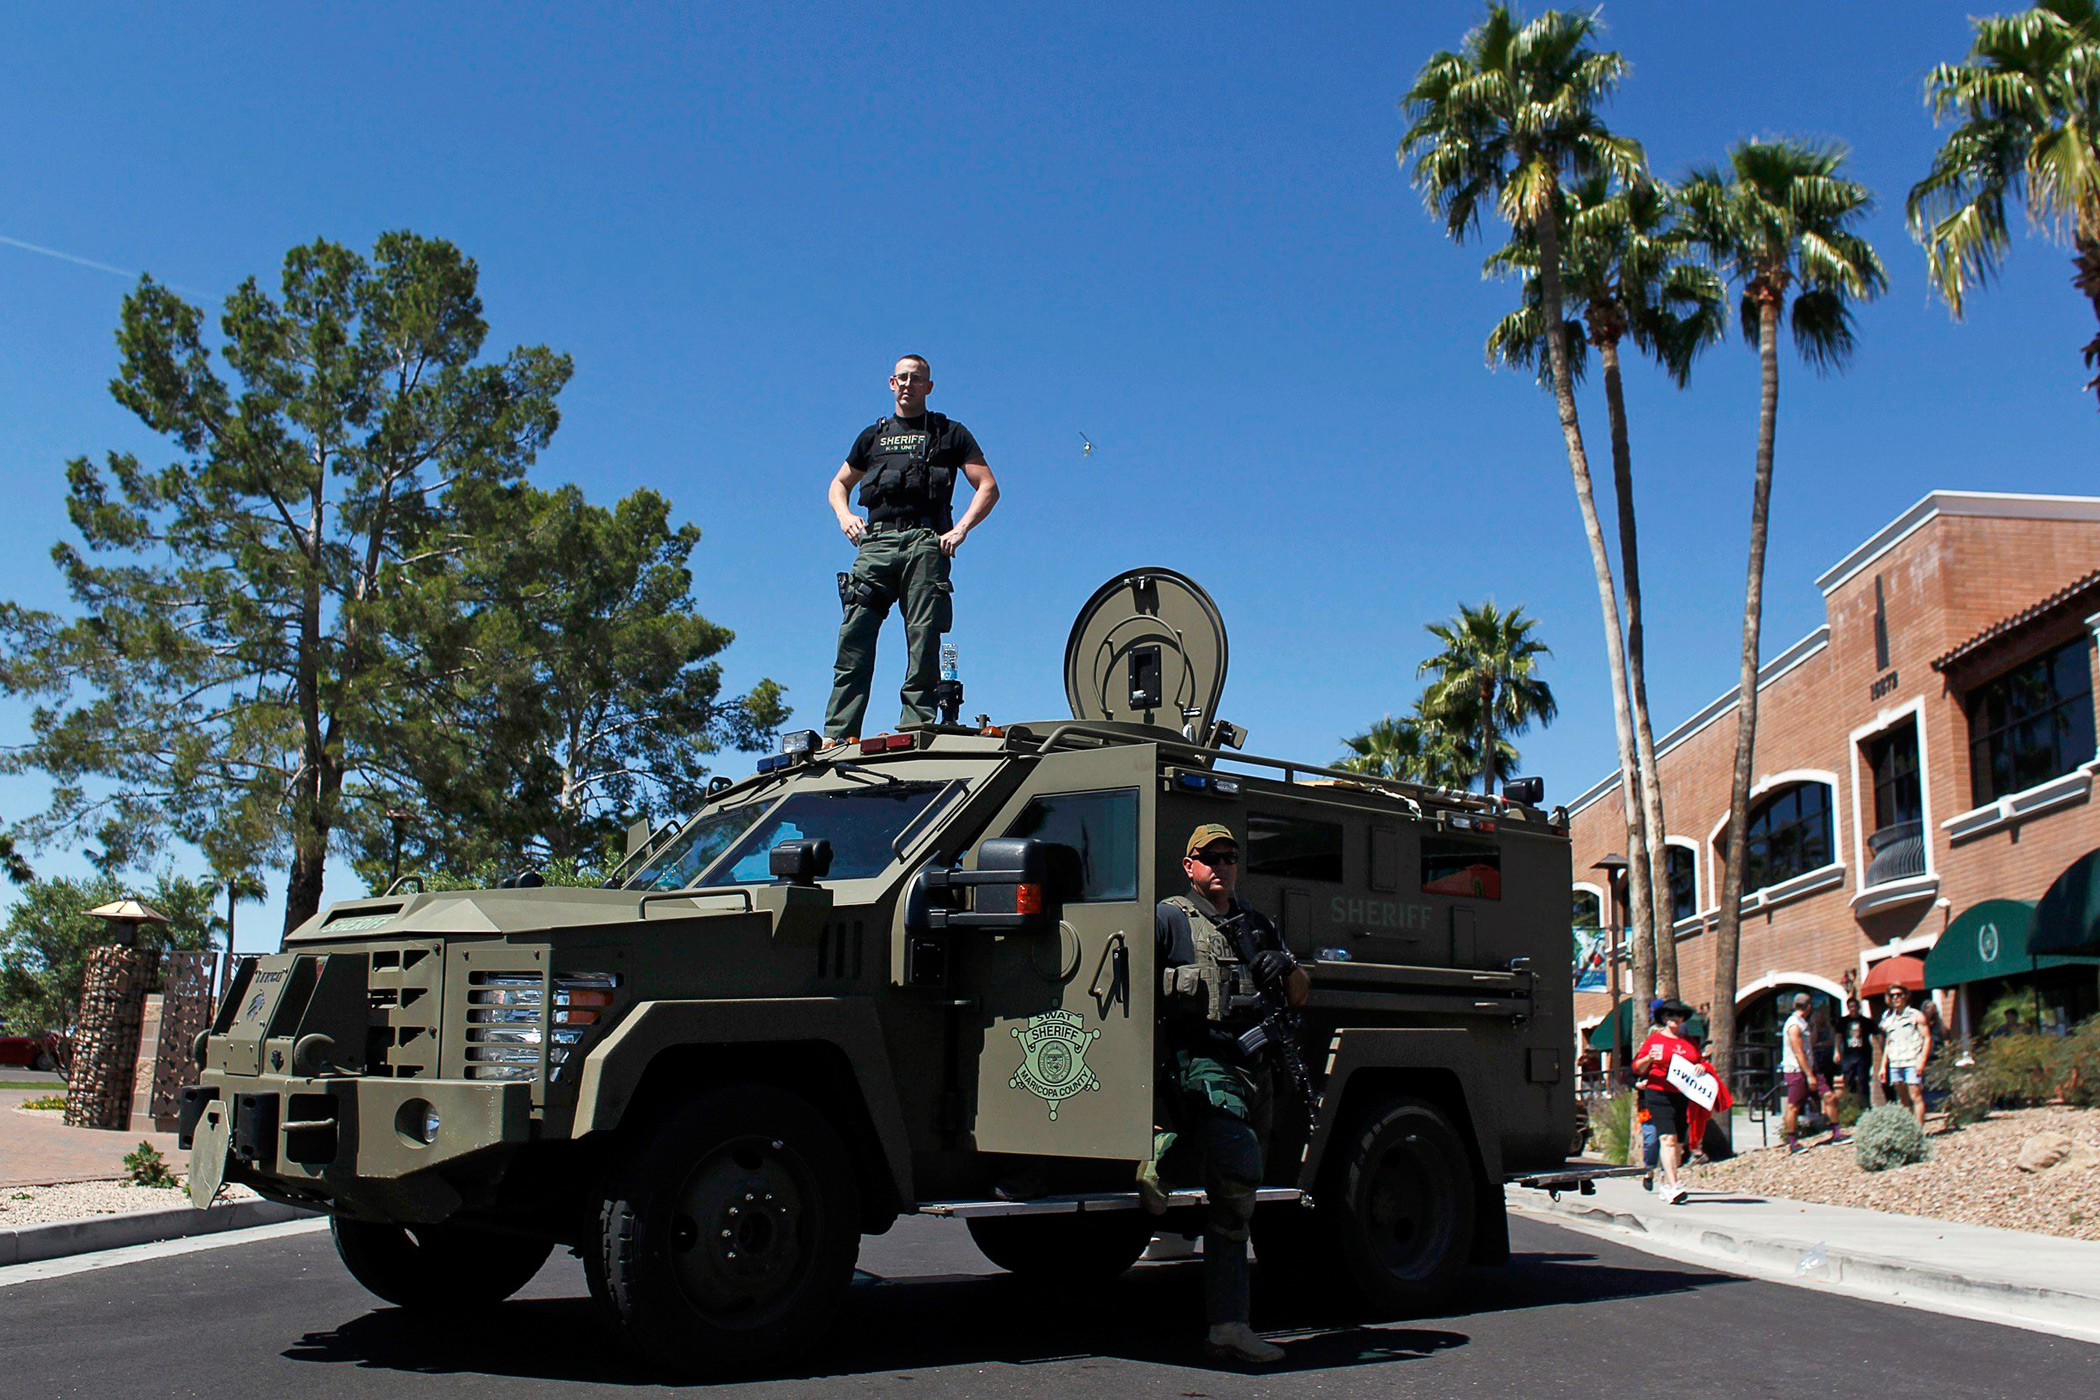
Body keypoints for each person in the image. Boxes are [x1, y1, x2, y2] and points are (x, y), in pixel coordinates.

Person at [1144, 823, 1310, 1366]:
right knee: (1237, 1178)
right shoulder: (1170, 918)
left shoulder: (1255, 923)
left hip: (1253, 1069)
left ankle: (1164, 1164)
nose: (1221, 867)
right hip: (1201, 1061)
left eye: (1230, 857)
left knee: (1238, 1196)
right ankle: (1229, 1325)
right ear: (1188, 866)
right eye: (1209, 858)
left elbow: (1301, 992)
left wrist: (1285, 968)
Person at [822, 354, 999, 741]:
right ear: (890, 383)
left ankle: (916, 724)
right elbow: (839, 485)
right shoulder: (873, 435)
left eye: (916, 379)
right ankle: (839, 732)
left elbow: (988, 485)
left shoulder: (949, 433)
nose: (908, 384)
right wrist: (844, 516)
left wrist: (962, 529)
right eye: (901, 377)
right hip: (876, 543)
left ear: (928, 387)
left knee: (924, 635)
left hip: (925, 541)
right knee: (854, 636)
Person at [1628, 999, 1700, 1204]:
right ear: (1664, 1018)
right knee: (1666, 1138)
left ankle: (1667, 1183)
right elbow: (1637, 1069)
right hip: (1658, 1093)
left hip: (1682, 1094)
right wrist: (1648, 1058)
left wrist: (1701, 1067)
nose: (1674, 1019)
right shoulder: (1654, 1041)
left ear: (1683, 1018)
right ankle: (1675, 1186)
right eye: (1669, 1015)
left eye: (1678, 1015)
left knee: (1677, 1144)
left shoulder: (1690, 1042)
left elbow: (1698, 1063)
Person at [1875, 983, 1933, 1130]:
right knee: (1902, 1099)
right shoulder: (1888, 1019)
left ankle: (1919, 1131)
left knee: (1916, 1095)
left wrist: (1922, 1060)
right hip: (1895, 1062)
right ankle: (1910, 1129)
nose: (1896, 998)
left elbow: (1927, 1038)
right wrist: (1883, 1066)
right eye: (1892, 995)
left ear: (1905, 996)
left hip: (1912, 1060)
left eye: (1899, 994)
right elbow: (1888, 1043)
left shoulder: (1916, 1015)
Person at [1836, 996, 1875, 1102]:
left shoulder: (1866, 1021)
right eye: (1850, 1007)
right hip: (1848, 1055)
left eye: (1854, 1006)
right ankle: (1852, 1104)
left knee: (1863, 1080)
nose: (1853, 1008)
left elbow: (1877, 1035)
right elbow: (1838, 1037)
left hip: (1863, 1055)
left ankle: (1865, 1104)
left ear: (1858, 1007)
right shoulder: (1843, 1021)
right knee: (1849, 1080)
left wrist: (1882, 1047)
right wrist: (1837, 1051)